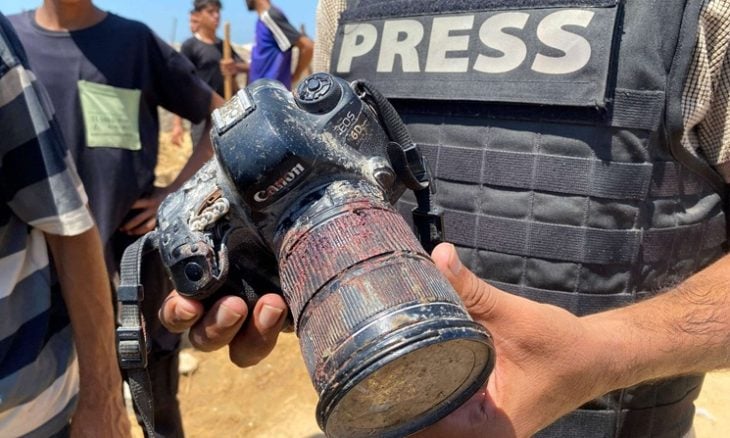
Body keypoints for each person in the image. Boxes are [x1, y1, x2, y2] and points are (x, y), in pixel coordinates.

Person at [161, 0, 730, 437]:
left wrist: (605, 354)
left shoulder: (695, 11)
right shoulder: (345, 6)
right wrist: (294, 273)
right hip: (385, 409)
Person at [9, 1, 225, 436]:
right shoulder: (9, 44)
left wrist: (174, 194)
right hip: (38, 283)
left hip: (130, 271)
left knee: (155, 406)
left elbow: (220, 114)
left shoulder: (134, 43)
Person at [0, 11, 129, 437]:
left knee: (155, 381)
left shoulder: (133, 40)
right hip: (78, 275)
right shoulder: (20, 31)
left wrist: (105, 395)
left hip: (119, 254)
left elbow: (68, 218)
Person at [172, 0, 249, 147]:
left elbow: (247, 66)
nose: (216, 16)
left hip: (227, 112)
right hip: (202, 115)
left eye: (217, 11)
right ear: (198, 15)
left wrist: (234, 67)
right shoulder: (190, 46)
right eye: (210, 12)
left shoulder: (224, 46)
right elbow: (180, 83)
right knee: (205, 157)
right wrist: (177, 124)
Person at [245, 0, 314, 89]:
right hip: (259, 91)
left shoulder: (270, 17)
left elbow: (307, 46)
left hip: (271, 92)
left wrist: (295, 76)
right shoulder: (262, 20)